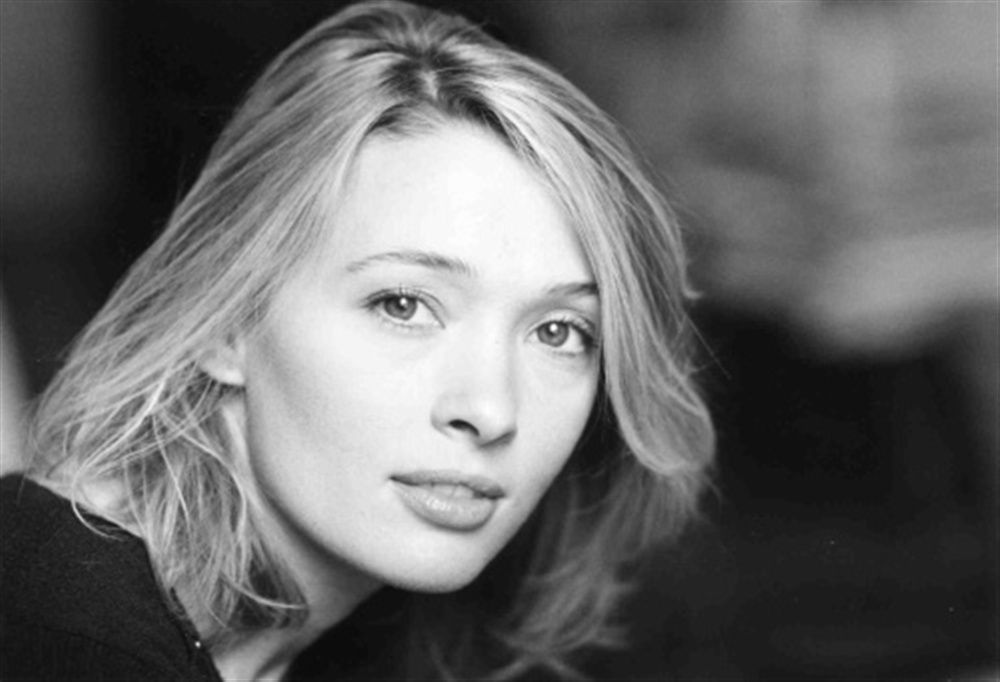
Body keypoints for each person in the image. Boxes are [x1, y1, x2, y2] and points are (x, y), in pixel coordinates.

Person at [0, 1, 714, 679]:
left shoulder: (359, 645)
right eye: (403, 305)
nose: (490, 410)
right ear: (224, 321)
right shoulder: (61, 637)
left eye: (559, 331)